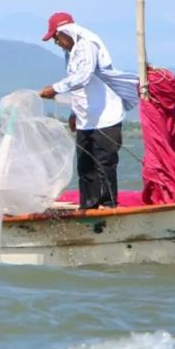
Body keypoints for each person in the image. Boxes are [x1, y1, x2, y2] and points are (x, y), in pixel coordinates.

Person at [38, 12, 138, 209]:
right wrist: (75, 113)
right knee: (85, 166)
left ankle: (109, 206)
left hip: (105, 116)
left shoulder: (87, 44)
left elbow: (84, 76)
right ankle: (88, 207)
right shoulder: (70, 53)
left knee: (105, 163)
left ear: (65, 32)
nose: (56, 43)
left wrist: (55, 89)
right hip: (86, 117)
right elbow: (80, 87)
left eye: (56, 38)